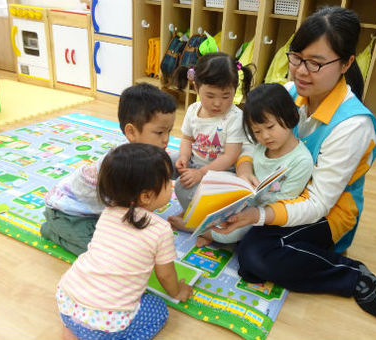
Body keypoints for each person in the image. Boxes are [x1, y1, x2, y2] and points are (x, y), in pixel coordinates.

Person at [215, 7, 376, 317]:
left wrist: (260, 215)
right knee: (219, 179)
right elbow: (250, 140)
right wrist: (243, 167)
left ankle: (350, 273)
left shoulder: (352, 125)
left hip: (327, 209)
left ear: (347, 63)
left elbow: (319, 202)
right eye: (296, 57)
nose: (300, 71)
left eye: (316, 63)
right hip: (280, 189)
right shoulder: (289, 92)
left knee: (255, 252)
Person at [56, 143, 193, 340]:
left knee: (92, 313)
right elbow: (164, 275)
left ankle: (73, 332)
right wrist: (178, 291)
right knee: (159, 311)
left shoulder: (108, 212)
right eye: (167, 183)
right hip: (105, 322)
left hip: (67, 301)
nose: (171, 185)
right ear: (146, 196)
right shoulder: (161, 230)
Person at [41, 83, 177, 255]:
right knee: (100, 252)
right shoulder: (122, 165)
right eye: (159, 133)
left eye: (169, 132)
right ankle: (52, 231)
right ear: (131, 132)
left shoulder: (146, 156)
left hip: (99, 211)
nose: (166, 140)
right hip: (67, 212)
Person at [196, 83, 313, 248]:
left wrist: (250, 209)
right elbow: (245, 158)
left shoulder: (301, 160)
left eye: (270, 127)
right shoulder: (260, 145)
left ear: (289, 116)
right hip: (242, 201)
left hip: (263, 214)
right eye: (257, 131)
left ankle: (196, 229)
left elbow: (283, 203)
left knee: (232, 232)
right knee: (205, 191)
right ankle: (205, 228)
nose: (265, 136)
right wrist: (244, 174)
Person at [168, 52, 254, 230]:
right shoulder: (193, 110)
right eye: (210, 95)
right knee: (163, 162)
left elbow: (230, 156)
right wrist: (183, 156)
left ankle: (196, 223)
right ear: (196, 86)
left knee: (183, 190)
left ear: (234, 90)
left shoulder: (235, 117)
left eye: (225, 96)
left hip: (220, 172)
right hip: (194, 162)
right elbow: (186, 138)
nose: (217, 103)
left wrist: (201, 173)